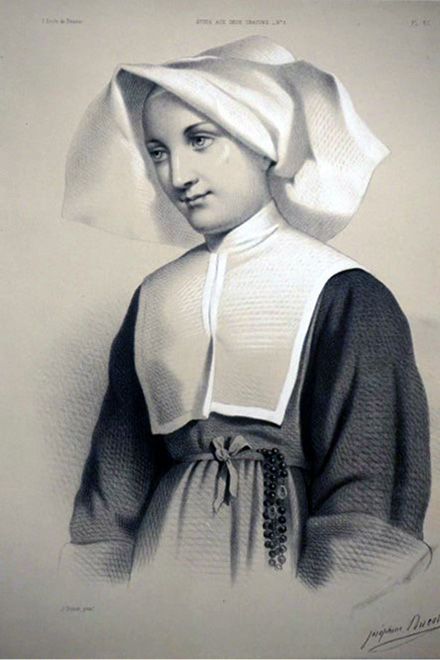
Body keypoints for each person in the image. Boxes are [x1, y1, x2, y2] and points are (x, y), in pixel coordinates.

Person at [62, 36, 431, 590]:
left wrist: (337, 605)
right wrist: (93, 600)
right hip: (162, 564)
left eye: (199, 140)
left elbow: (372, 478)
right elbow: (114, 481)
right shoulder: (156, 295)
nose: (177, 175)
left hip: (290, 566)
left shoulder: (344, 292)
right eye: (158, 151)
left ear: (262, 143)